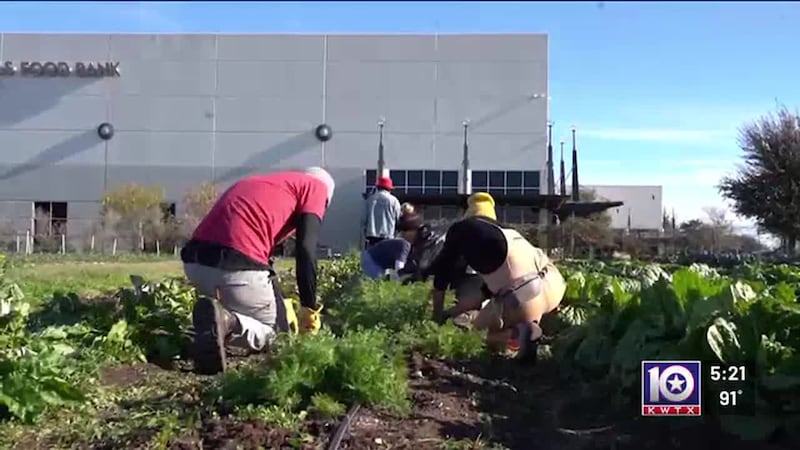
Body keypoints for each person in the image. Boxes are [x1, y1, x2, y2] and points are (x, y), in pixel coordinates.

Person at [180, 167, 335, 374]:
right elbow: (306, 250)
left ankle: (216, 323)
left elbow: (263, 259)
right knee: (281, 337)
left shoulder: (269, 184)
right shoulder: (316, 188)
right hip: (235, 269)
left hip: (195, 264)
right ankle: (229, 322)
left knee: (248, 308)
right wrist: (308, 307)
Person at [426, 192, 566, 363]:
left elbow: (442, 273)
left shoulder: (465, 230)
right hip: (552, 287)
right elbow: (486, 292)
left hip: (524, 292)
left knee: (475, 332)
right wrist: (453, 311)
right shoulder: (512, 236)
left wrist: (437, 315)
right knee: (502, 309)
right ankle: (530, 331)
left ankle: (518, 333)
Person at [361, 176, 401, 248]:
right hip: (388, 236)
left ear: (378, 187)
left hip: (372, 237)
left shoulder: (369, 200)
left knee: (373, 258)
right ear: (389, 188)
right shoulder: (394, 201)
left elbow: (363, 220)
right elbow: (398, 218)